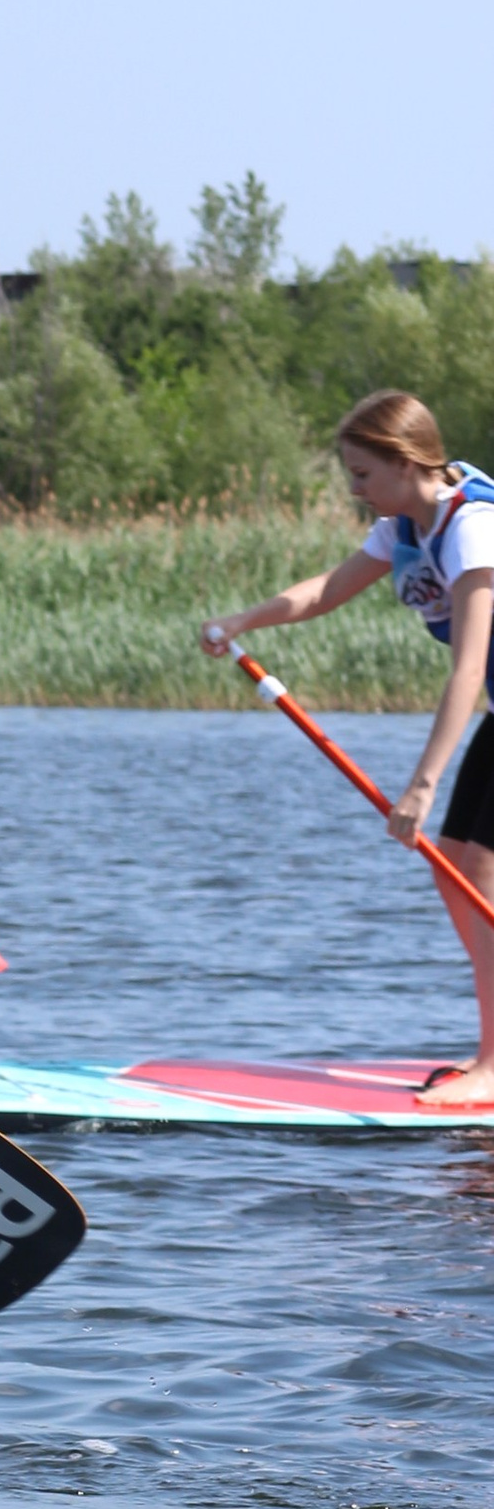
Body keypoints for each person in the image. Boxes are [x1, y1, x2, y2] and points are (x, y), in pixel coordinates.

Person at [202, 387, 494, 1104]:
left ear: (405, 463)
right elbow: (327, 591)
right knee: (453, 868)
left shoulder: (472, 528)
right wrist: (242, 622)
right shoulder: (405, 526)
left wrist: (421, 786)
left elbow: (467, 671)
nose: (355, 489)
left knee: (481, 874)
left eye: (363, 474)